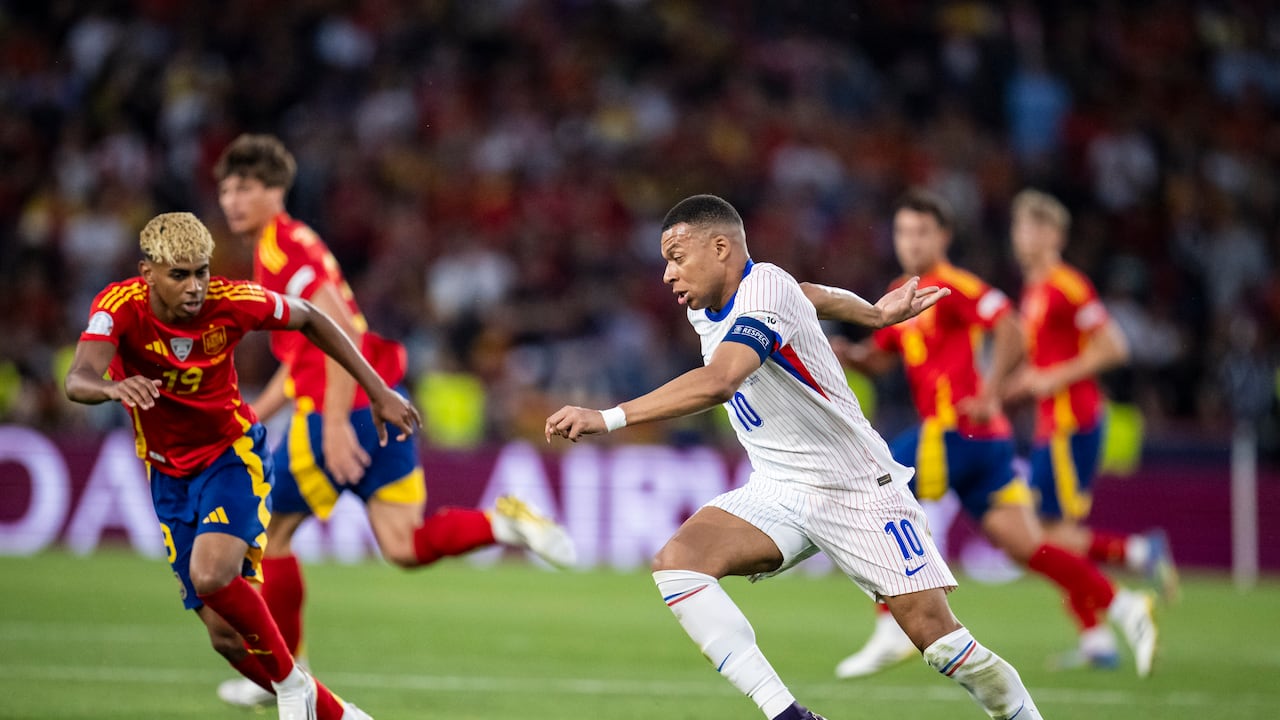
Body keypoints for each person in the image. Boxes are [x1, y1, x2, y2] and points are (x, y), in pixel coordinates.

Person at [546, 194, 1043, 720]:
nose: (668, 274)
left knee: (941, 645)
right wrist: (873, 313)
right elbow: (812, 293)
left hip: (855, 489)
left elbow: (721, 380)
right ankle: (790, 716)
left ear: (721, 248)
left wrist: (609, 417)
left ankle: (1022, 716)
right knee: (678, 564)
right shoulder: (717, 303)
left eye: (677, 256)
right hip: (779, 489)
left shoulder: (765, 289)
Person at [212, 134, 576, 707]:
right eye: (226, 189)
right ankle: (504, 525)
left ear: (276, 191)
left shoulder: (282, 248)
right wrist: (252, 416)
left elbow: (337, 329)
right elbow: (305, 352)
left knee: (272, 536)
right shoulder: (290, 244)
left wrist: (331, 422)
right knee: (404, 546)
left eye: (246, 188)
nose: (232, 201)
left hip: (341, 409)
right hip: (383, 398)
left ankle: (288, 680)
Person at [64, 212, 416, 720]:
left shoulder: (233, 301)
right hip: (167, 474)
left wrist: (377, 389)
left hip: (232, 456)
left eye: (202, 271)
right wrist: (110, 388)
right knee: (224, 637)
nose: (195, 286)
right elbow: (78, 377)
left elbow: (314, 317)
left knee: (210, 574)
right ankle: (340, 714)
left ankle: (294, 686)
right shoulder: (118, 306)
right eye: (179, 274)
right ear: (148, 273)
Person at [813, 189, 1156, 679]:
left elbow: (1010, 326)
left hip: (956, 428)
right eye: (903, 232)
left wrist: (992, 390)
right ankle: (1123, 605)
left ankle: (892, 626)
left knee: (877, 491)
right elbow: (884, 355)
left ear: (943, 237)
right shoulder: (902, 293)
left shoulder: (952, 286)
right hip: (985, 445)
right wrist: (855, 355)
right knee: (1028, 546)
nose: (911, 242)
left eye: (922, 232)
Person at [1005, 189, 1178, 602]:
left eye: (1030, 227)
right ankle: (1096, 632)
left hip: (1073, 420)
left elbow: (1115, 346)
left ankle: (1135, 560)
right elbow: (1043, 363)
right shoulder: (1036, 290)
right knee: (1050, 536)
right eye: (1018, 227)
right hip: (1053, 423)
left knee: (1047, 537)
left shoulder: (1067, 285)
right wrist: (1001, 393)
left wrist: (1055, 378)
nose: (1020, 236)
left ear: (1053, 235)